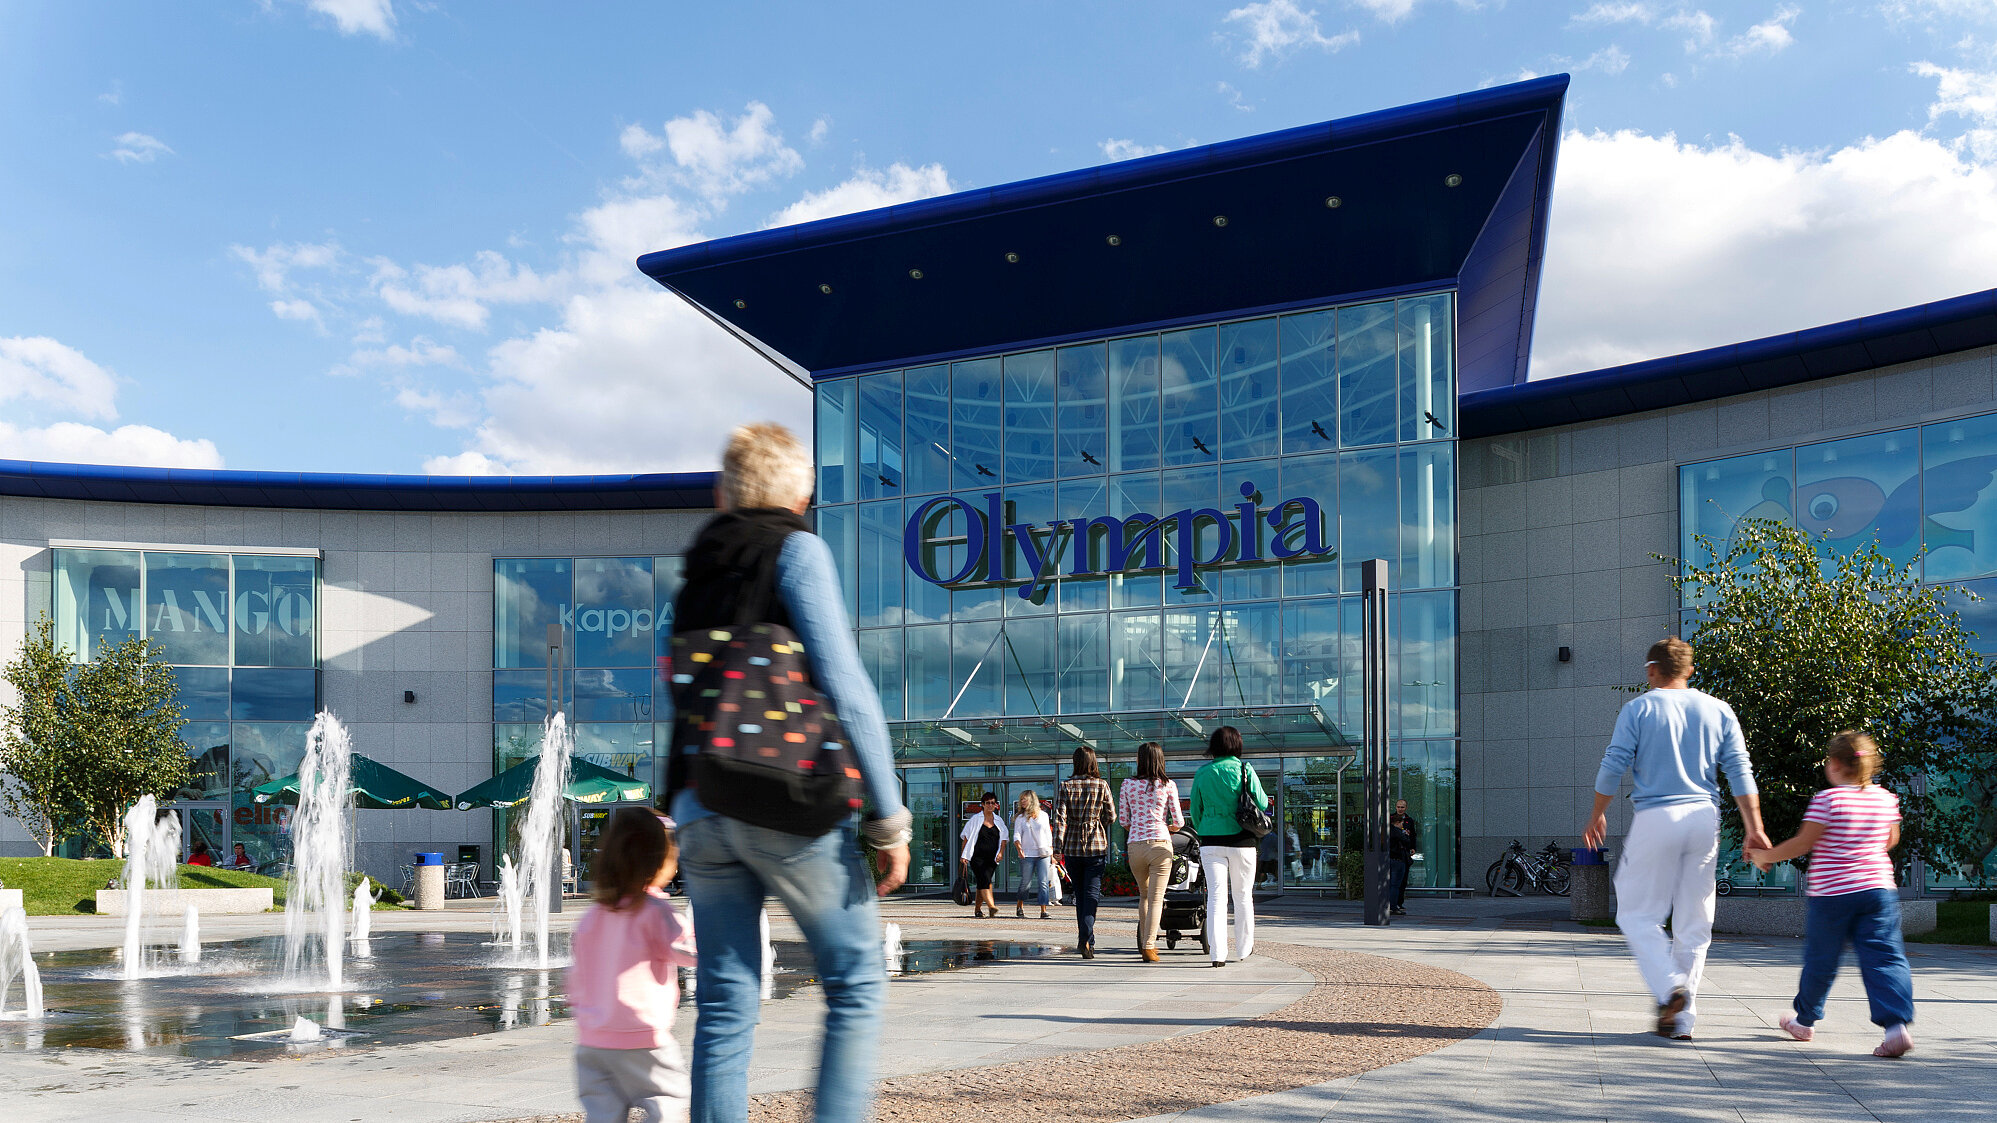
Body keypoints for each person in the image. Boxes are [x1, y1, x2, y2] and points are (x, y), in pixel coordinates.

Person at [667, 422, 912, 1123]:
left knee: (724, 1000)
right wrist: (888, 818)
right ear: (800, 495)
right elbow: (846, 686)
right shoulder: (796, 550)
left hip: (701, 807)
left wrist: (677, 806)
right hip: (783, 800)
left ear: (723, 492)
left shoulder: (696, 572)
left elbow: (684, 697)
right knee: (857, 979)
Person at [1585, 636, 1768, 1040]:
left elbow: (1613, 763)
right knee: (1694, 922)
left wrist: (1597, 814)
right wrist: (1754, 826)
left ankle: (1671, 989)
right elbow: (1740, 770)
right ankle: (1681, 1021)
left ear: (1652, 670)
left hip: (1657, 816)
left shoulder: (1639, 708)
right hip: (1705, 818)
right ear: (1689, 670)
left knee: (1636, 914)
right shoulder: (1718, 709)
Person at [1745, 731, 1915, 1058]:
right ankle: (1896, 1028)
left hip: (1833, 894)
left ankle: (1805, 1021)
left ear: (1835, 764)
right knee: (1885, 957)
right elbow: (1890, 840)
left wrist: (1765, 857)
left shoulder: (1828, 800)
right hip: (1878, 890)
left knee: (1822, 959)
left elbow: (1804, 842)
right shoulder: (1886, 799)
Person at [569, 807, 697, 1123]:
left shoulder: (592, 916)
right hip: (644, 1038)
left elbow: (575, 978)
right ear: (660, 863)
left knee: (602, 1113)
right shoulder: (656, 912)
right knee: (666, 1098)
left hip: (593, 1041)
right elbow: (689, 951)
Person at [1190, 726, 1270, 968]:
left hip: (1211, 840)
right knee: (1243, 896)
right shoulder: (1245, 769)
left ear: (1213, 746)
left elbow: (1195, 810)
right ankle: (1244, 949)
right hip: (1242, 840)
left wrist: (1207, 826)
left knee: (1216, 897)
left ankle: (1217, 954)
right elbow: (1263, 802)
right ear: (1237, 744)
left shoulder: (1203, 773)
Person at [1117, 741, 1183, 962]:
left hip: (1135, 845)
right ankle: (1149, 945)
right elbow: (1179, 821)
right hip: (1160, 844)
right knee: (1156, 899)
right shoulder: (1168, 785)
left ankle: (1145, 945)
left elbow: (1124, 820)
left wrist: (1137, 828)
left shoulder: (1127, 784)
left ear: (1140, 760)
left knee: (1144, 896)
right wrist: (1168, 827)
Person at [1050, 745, 1115, 959]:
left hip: (1073, 846)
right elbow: (1111, 815)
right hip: (1096, 845)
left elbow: (1059, 819)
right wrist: (1097, 824)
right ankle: (1087, 938)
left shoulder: (1065, 785)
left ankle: (1084, 939)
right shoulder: (1102, 784)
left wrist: (1057, 848)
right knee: (1091, 895)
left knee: (1079, 895)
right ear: (1093, 762)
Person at [957, 792, 1008, 918]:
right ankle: (992, 906)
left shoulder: (999, 820)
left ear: (996, 805)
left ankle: (978, 910)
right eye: (987, 803)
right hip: (976, 857)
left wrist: (1001, 852)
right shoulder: (975, 819)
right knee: (985, 879)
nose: (990, 805)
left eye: (993, 803)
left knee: (983, 882)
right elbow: (966, 838)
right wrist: (963, 856)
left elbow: (1004, 839)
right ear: (983, 805)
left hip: (992, 858)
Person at [1012, 790, 1054, 920]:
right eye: (1021, 800)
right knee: (1026, 882)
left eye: (1025, 799)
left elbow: (1048, 834)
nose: (1022, 802)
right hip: (1027, 854)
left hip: (1043, 853)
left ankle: (1043, 909)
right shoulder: (1020, 818)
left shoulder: (1044, 816)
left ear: (1032, 800)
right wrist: (1019, 847)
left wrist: (1051, 852)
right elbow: (1017, 834)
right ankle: (1020, 905)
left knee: (1043, 882)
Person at [1387, 800, 1418, 916]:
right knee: (1395, 883)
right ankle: (1394, 904)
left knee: (1401, 881)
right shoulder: (1391, 819)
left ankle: (1398, 903)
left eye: (1402, 807)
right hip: (1397, 855)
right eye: (1398, 807)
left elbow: (1413, 835)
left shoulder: (1409, 820)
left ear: (1406, 808)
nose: (1400, 809)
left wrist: (1413, 847)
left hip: (1403, 854)